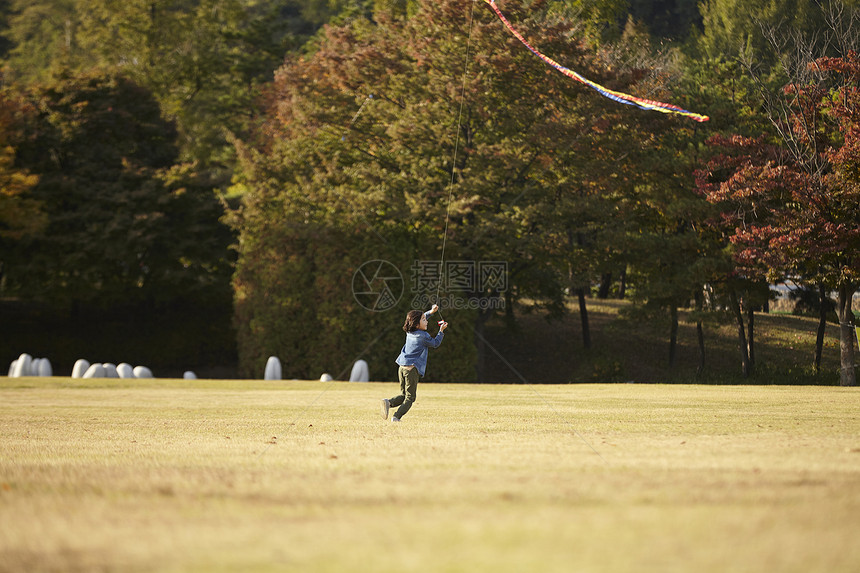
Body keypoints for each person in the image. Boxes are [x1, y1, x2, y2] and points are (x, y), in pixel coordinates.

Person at [381, 304, 447, 422]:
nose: (426, 321)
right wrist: (441, 331)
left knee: (403, 395)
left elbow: (420, 318)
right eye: (423, 320)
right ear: (417, 324)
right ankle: (396, 417)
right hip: (411, 370)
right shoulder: (423, 336)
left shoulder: (410, 332)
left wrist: (431, 312)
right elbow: (435, 343)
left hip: (401, 366)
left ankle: (388, 402)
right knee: (410, 398)